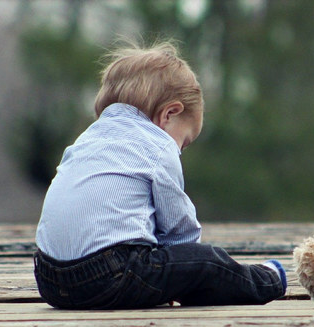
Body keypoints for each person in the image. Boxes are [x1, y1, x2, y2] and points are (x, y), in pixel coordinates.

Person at [33, 40, 287, 309]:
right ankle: (267, 279)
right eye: (185, 142)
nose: (180, 150)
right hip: (109, 276)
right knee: (208, 262)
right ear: (169, 113)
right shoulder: (158, 144)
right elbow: (180, 231)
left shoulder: (86, 139)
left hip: (49, 279)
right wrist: (187, 269)